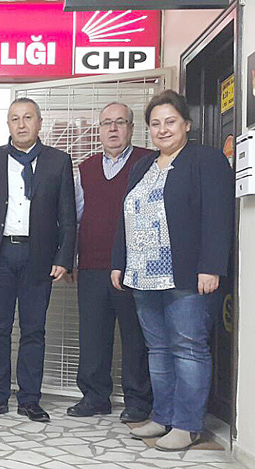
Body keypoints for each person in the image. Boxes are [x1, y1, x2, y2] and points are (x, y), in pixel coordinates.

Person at [111, 90, 234, 451]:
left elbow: (218, 216)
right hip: (143, 276)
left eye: (170, 121)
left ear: (187, 124)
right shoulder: (142, 166)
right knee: (158, 349)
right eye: (155, 124)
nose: (162, 129)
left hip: (186, 275)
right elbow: (126, 216)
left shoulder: (206, 160)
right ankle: (162, 417)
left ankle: (187, 424)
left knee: (188, 348)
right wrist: (119, 262)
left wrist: (211, 266)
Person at [0, 97, 76, 422]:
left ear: (39, 123)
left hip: (38, 255)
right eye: (15, 118)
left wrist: (64, 257)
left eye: (28, 117)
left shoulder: (58, 161)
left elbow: (68, 216)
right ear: (8, 124)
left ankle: (29, 398)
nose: (22, 124)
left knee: (33, 330)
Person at [67, 102, 153, 422]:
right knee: (93, 335)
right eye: (107, 123)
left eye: (120, 122)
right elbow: (76, 218)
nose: (113, 129)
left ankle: (138, 401)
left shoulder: (148, 162)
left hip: (135, 266)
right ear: (99, 130)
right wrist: (71, 258)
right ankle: (94, 397)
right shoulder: (85, 169)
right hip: (92, 265)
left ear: (132, 128)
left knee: (135, 337)